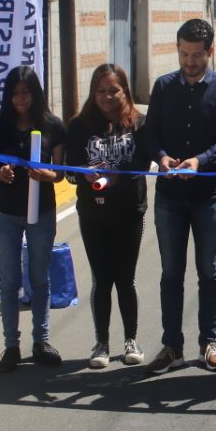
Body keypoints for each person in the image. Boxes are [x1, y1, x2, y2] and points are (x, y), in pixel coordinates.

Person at [142, 18, 216, 375]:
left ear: (210, 52)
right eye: (183, 54)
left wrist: (200, 161)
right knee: (171, 274)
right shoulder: (163, 87)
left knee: (209, 273)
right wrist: (162, 157)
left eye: (197, 55)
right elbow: (149, 134)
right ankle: (172, 347)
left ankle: (208, 343)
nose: (189, 62)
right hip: (169, 197)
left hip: (208, 197)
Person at [66, 63, 151, 369]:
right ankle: (101, 343)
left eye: (113, 90)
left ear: (124, 91)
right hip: (93, 214)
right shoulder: (79, 126)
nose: (107, 96)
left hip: (129, 212)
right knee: (101, 279)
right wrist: (84, 174)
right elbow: (69, 172)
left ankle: (131, 340)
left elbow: (143, 164)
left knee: (125, 279)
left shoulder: (139, 123)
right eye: (100, 90)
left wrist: (119, 176)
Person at [0, 66, 67, 372]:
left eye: (26, 93)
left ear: (36, 94)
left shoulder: (53, 126)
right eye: (15, 93)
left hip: (41, 212)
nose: (20, 99)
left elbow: (60, 173)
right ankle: (11, 346)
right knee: (9, 281)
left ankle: (41, 342)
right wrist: (1, 174)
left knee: (40, 278)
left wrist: (47, 175)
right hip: (5, 214)